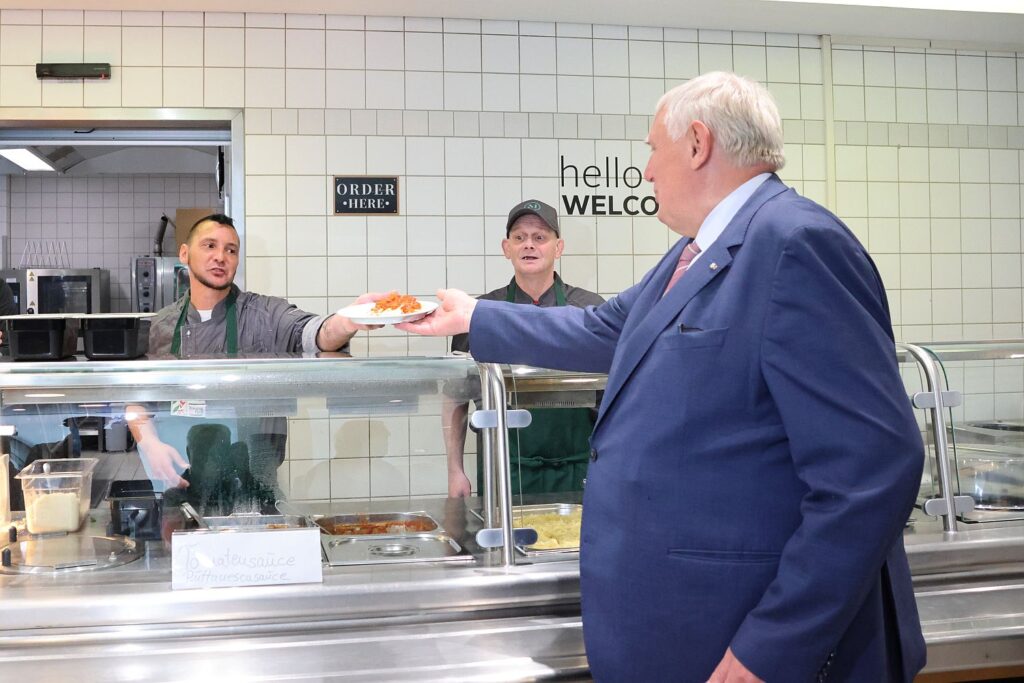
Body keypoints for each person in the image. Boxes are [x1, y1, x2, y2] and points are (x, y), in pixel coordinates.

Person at [400, 72, 926, 682]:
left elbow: (872, 470)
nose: (647, 170)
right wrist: (472, 316)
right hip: (677, 622)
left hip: (738, 629)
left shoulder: (795, 243)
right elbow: (603, 328)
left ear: (698, 143)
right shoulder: (696, 251)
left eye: (653, 149)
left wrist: (772, 648)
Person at [128, 213, 381, 505]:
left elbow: (316, 333)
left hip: (256, 481)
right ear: (184, 254)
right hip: (182, 475)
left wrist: (347, 320)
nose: (220, 257)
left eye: (231, 250)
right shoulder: (163, 324)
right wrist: (150, 444)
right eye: (209, 246)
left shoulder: (265, 315)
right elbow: (138, 399)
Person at [444, 199, 604, 498]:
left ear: (558, 248)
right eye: (519, 237)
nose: (529, 244)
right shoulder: (479, 313)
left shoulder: (589, 309)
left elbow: (616, 395)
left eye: (540, 237)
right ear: (507, 248)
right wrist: (455, 470)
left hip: (579, 469)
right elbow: (456, 398)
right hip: (503, 468)